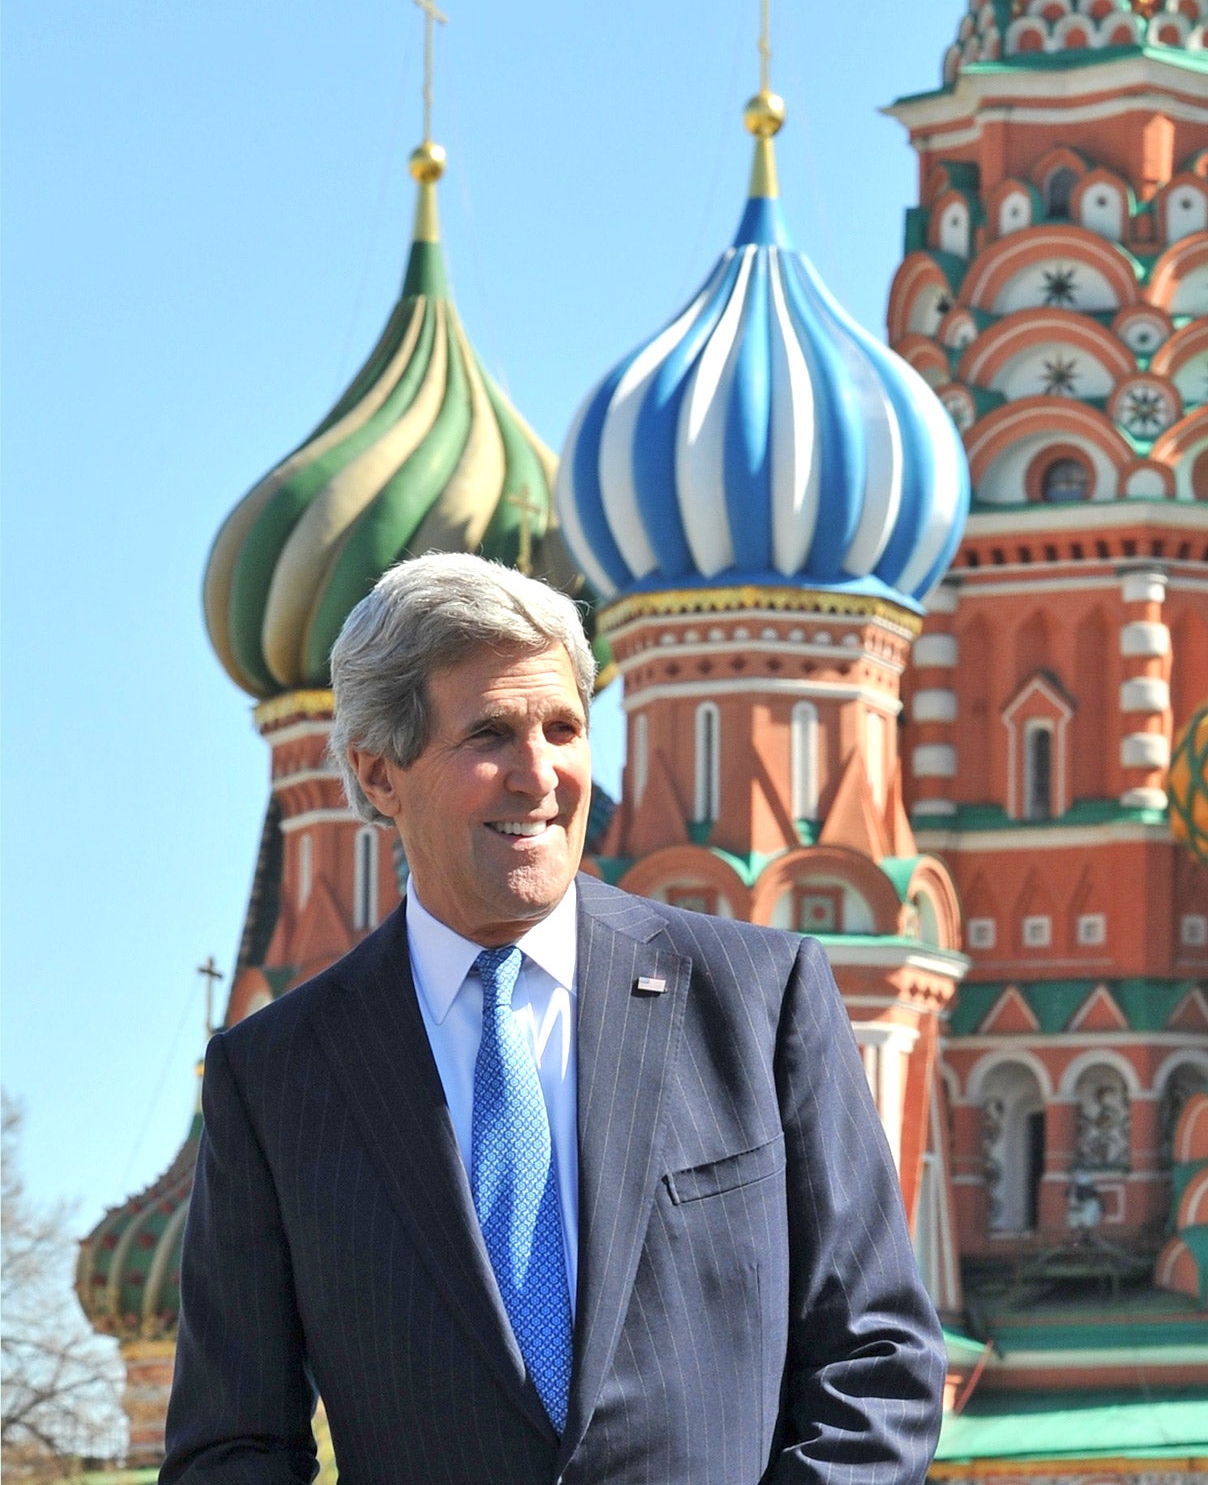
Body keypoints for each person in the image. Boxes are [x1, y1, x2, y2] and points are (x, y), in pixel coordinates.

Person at [162, 554, 946, 1484]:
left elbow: (877, 1362)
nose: (540, 777)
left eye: (564, 728)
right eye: (490, 734)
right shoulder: (280, 1074)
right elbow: (232, 1444)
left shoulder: (755, 999)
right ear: (380, 774)